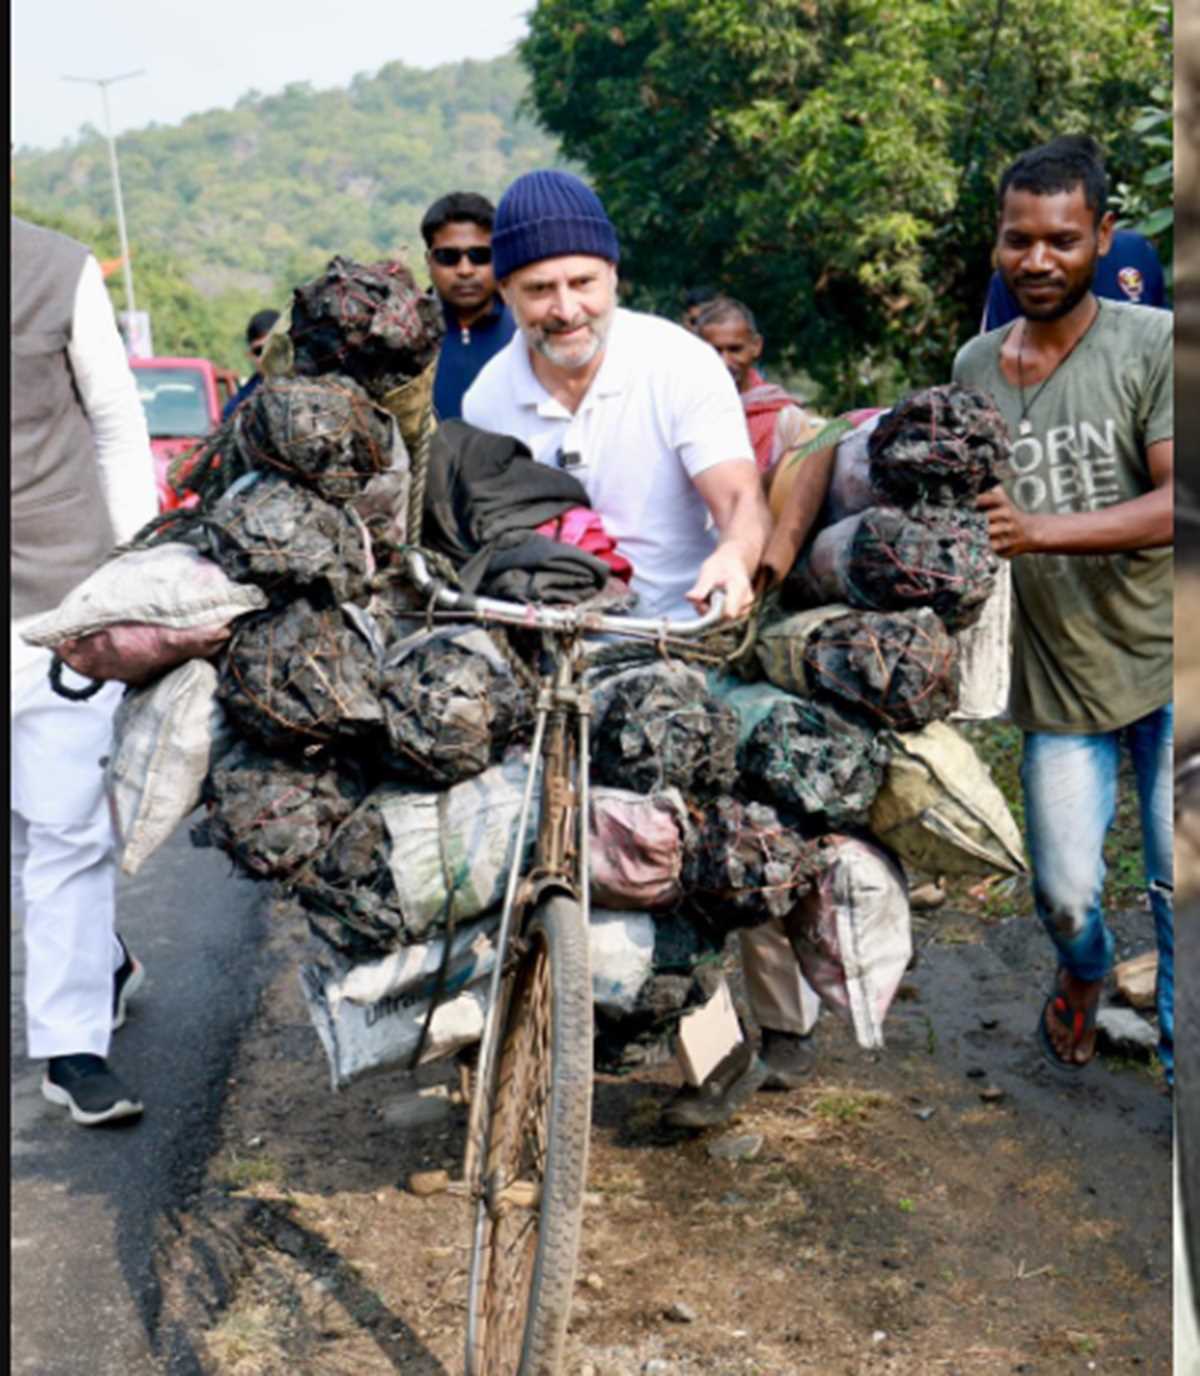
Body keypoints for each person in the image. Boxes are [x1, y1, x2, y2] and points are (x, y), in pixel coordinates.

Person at [463, 169, 817, 1127]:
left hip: (680, 632)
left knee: (702, 858)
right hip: (565, 646)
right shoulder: (496, 394)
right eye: (538, 289)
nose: (564, 307)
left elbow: (739, 499)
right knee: (576, 849)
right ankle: (550, 1048)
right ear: (508, 296)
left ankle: (767, 1034)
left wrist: (735, 561)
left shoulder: (675, 364)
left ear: (614, 274)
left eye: (583, 281)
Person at [952, 134, 1173, 1083]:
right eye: (1018, 240)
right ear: (998, 242)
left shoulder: (1155, 345)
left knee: (1176, 885)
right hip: (1059, 675)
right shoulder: (972, 368)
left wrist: (1038, 531)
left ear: (1103, 238)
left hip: (1171, 660)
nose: (1038, 260)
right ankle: (1084, 973)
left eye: (1063, 239)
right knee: (1067, 895)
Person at [11, 215, 160, 1125]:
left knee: (65, 828)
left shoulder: (58, 270)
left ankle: (73, 1050)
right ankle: (99, 962)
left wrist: (133, 574)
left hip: (57, 603)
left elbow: (115, 423)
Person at [695, 296, 820, 480]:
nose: (724, 361)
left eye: (735, 349)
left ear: (756, 346)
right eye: (714, 351)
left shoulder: (786, 419)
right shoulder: (686, 411)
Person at [421, 191, 517, 421]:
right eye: (448, 256)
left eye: (480, 255)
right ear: (429, 261)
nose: (465, 270)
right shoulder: (402, 339)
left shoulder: (526, 333)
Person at [221, 308, 281, 421]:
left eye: (272, 348)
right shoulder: (249, 390)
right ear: (250, 355)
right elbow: (227, 420)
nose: (266, 356)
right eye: (259, 351)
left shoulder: (310, 384)